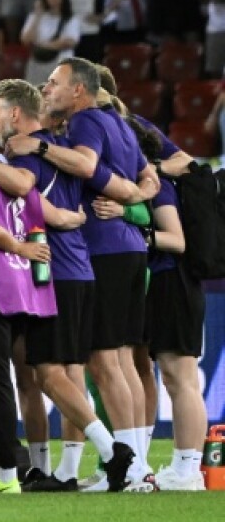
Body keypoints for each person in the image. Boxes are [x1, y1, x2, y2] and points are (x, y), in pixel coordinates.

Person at [5, 59, 156, 491]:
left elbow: (88, 166)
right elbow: (149, 179)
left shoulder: (87, 119)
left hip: (102, 246)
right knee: (121, 359)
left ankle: (130, 468)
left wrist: (42, 149)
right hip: (128, 245)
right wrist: (129, 198)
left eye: (55, 83)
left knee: (105, 362)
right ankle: (134, 464)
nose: (48, 88)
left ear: (79, 91)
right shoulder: (120, 122)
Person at [108, 119, 207, 492]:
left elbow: (176, 240)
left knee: (180, 378)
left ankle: (188, 470)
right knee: (161, 373)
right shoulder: (143, 186)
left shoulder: (160, 187)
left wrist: (132, 228)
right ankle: (152, 462)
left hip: (173, 281)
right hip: (159, 281)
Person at [21, 0, 80, 85]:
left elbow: (69, 42)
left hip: (61, 66)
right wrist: (38, 15)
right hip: (37, 65)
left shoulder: (70, 18)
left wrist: (41, 45)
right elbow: (26, 39)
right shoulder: (34, 16)